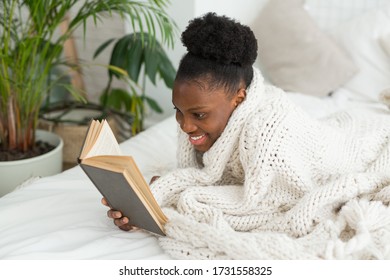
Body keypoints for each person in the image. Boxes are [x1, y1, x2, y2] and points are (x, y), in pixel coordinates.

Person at [102, 12, 390, 259]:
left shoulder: (268, 132)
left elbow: (264, 203)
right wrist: (150, 198)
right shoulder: (197, 116)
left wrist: (173, 194)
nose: (185, 125)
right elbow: (205, 172)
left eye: (198, 115)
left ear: (239, 98)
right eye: (179, 111)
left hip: (347, 144)